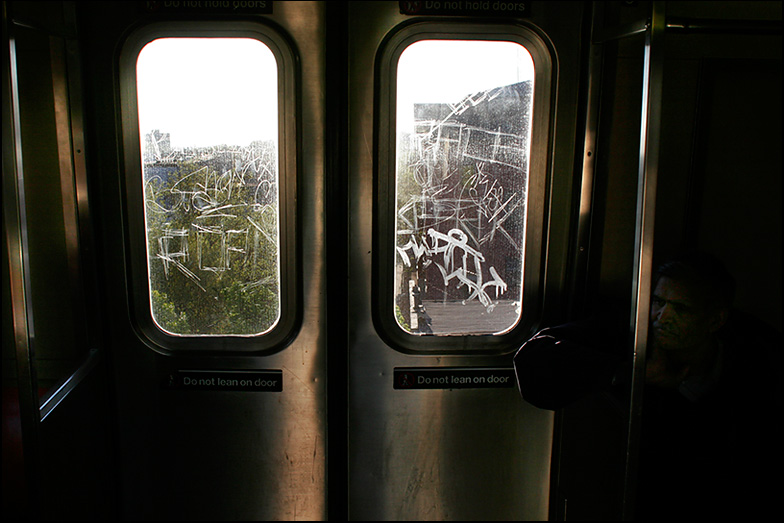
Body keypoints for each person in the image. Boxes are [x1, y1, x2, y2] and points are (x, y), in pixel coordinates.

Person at [513, 251, 782, 520]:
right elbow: (533, 361)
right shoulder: (631, 335)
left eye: (681, 309)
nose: (663, 317)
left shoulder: (753, 365)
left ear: (715, 320)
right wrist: (628, 371)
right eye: (658, 302)